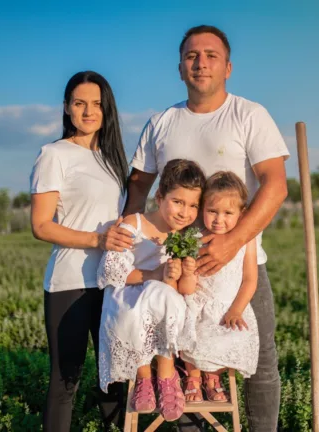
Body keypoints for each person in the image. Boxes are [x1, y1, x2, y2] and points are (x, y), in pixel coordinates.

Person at [124, 25, 289, 431]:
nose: (201, 63)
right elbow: (138, 187)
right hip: (176, 266)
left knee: (259, 361)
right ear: (179, 68)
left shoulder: (249, 115)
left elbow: (276, 184)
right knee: (182, 357)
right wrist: (127, 241)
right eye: (192, 55)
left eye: (211, 55)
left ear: (228, 67)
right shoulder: (161, 122)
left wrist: (232, 242)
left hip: (239, 264)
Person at [29, 70, 136, 431]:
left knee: (115, 378)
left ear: (107, 109)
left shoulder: (113, 158)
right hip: (69, 283)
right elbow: (41, 225)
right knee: (65, 381)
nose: (88, 111)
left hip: (112, 283)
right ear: (66, 108)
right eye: (79, 103)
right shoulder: (54, 155)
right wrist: (97, 240)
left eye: (96, 104)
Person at [96, 159, 206, 422]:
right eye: (178, 202)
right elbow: (112, 272)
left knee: (166, 296)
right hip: (128, 296)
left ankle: (167, 377)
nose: (184, 212)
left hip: (166, 300)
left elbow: (185, 289)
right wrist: (155, 274)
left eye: (193, 205)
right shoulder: (135, 224)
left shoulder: (189, 236)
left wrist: (186, 273)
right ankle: (143, 376)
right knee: (149, 300)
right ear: (159, 197)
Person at [179, 171, 260, 404]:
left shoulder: (246, 239)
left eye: (228, 213)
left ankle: (213, 378)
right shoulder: (194, 236)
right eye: (212, 211)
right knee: (190, 327)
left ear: (241, 214)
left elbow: (249, 280)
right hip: (197, 301)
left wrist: (236, 310)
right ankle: (193, 377)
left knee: (231, 335)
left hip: (229, 306)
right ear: (202, 208)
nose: (218, 219)